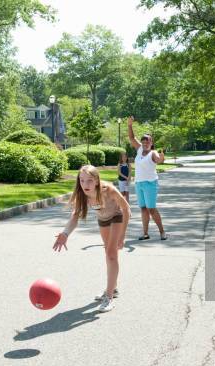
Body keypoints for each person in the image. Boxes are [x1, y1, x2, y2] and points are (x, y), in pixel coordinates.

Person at [53, 165, 131, 312]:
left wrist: (122, 235)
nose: (85, 185)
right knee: (108, 254)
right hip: (103, 220)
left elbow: (126, 208)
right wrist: (65, 234)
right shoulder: (82, 195)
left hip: (117, 216)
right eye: (82, 180)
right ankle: (113, 288)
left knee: (111, 254)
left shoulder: (108, 190)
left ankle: (109, 297)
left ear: (96, 181)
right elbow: (74, 218)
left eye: (89, 181)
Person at [127, 116, 167, 240]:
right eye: (143, 141)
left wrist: (161, 158)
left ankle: (162, 232)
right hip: (139, 184)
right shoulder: (139, 150)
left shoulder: (152, 153)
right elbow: (132, 138)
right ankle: (145, 233)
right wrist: (129, 125)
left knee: (151, 209)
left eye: (147, 141)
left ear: (151, 143)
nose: (145, 143)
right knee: (143, 209)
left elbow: (158, 160)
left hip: (150, 184)